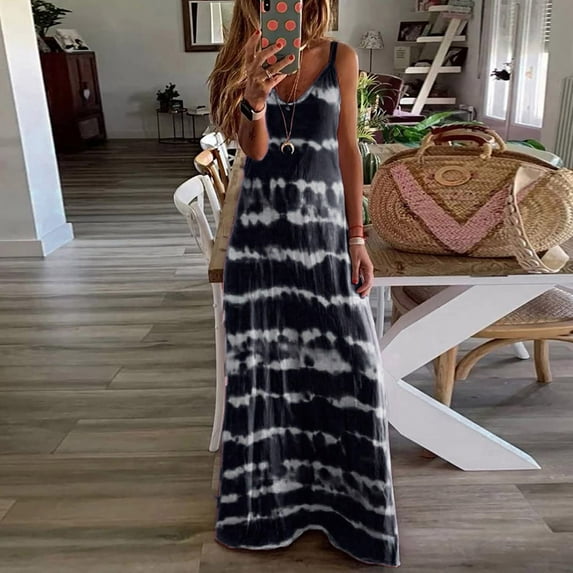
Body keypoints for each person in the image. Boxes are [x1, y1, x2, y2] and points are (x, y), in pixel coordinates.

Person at [207, 0, 399, 567]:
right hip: (260, 247)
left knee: (353, 368)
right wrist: (255, 99)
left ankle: (353, 513)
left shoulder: (341, 57)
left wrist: (357, 238)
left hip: (323, 238)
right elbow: (256, 151)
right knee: (266, 376)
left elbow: (348, 149)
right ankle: (269, 512)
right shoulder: (236, 63)